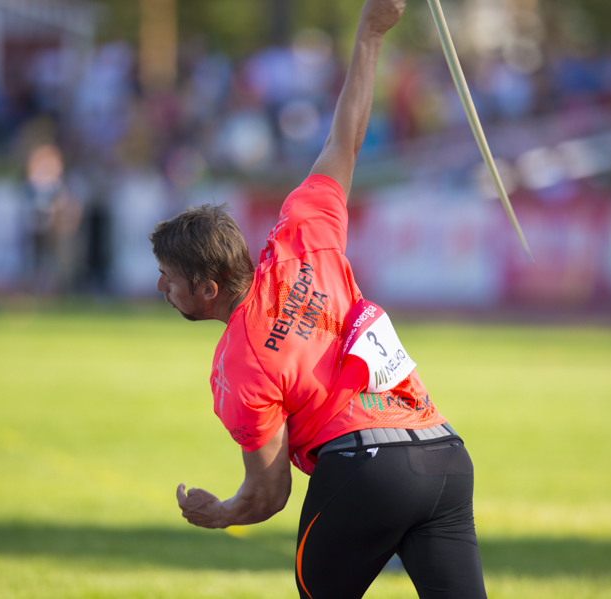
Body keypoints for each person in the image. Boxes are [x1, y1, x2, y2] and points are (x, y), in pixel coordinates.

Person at [148, 1, 487, 597]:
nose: (160, 289)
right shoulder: (304, 235)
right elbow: (347, 139)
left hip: (369, 471)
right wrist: (371, 31)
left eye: (168, 278)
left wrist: (221, 512)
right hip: (443, 454)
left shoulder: (235, 365)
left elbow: (269, 494)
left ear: (206, 288)